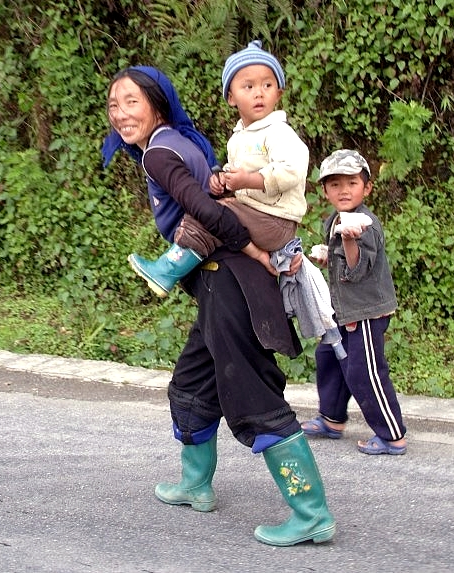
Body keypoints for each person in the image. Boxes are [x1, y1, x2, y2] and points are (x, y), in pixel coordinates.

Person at [102, 65, 336, 545]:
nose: (121, 114)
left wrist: (252, 249)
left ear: (157, 104)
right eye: (113, 105)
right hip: (217, 285)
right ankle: (194, 485)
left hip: (234, 286)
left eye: (131, 102)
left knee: (252, 395)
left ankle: (310, 512)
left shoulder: (160, 154)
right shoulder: (181, 142)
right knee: (192, 384)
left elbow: (207, 212)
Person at [127, 41, 308, 298]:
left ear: (278, 94)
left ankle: (169, 268)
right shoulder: (238, 138)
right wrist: (222, 181)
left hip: (274, 219)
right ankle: (179, 264)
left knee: (210, 215)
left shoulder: (278, 132)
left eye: (267, 85)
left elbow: (292, 171)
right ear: (231, 98)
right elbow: (237, 176)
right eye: (249, 86)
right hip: (257, 213)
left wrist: (249, 180)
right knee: (213, 210)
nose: (259, 93)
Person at [301, 149, 407, 455]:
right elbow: (341, 268)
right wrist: (325, 255)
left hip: (366, 312)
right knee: (329, 357)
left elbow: (357, 270)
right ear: (324, 190)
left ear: (367, 187)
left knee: (364, 370)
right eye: (334, 184)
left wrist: (348, 241)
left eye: (351, 182)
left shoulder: (364, 225)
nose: (343, 190)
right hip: (343, 308)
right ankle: (332, 419)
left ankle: (392, 434)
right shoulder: (334, 220)